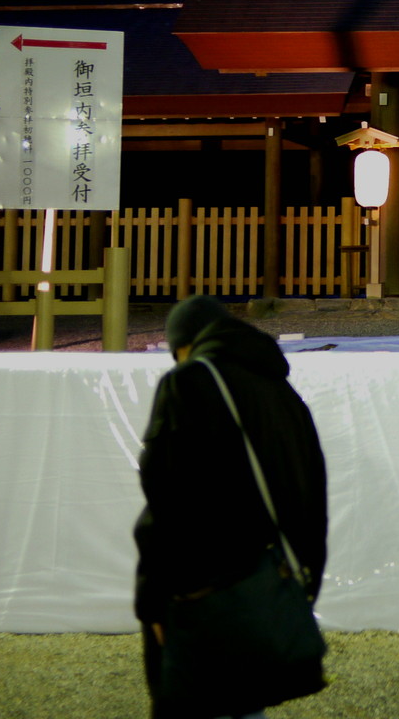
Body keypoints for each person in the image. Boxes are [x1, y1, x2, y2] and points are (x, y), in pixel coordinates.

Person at [134, 296, 329, 719]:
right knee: (245, 704)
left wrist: (152, 599)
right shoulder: (281, 390)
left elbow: (169, 501)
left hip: (205, 592)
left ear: (184, 345)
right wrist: (303, 582)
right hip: (266, 587)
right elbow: (311, 488)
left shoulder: (189, 383)